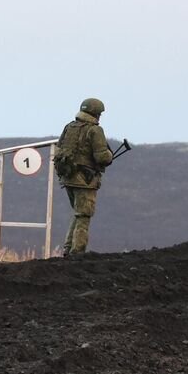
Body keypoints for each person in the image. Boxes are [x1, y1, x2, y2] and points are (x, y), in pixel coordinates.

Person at [54, 97, 113, 256]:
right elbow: (102, 158)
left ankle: (68, 249)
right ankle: (77, 252)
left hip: (68, 177)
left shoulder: (69, 127)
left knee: (78, 213)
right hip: (85, 181)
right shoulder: (95, 130)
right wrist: (109, 155)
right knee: (84, 216)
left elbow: (58, 150)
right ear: (96, 113)